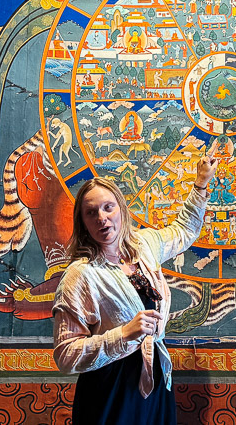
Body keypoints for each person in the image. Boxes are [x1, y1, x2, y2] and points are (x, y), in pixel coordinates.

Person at [53, 155, 216, 424]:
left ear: (122, 210)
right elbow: (66, 356)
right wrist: (124, 333)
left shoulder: (145, 246)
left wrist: (200, 183)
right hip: (110, 388)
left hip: (154, 378)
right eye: (91, 213)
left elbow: (184, 231)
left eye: (108, 208)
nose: (102, 218)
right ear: (82, 221)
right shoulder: (81, 274)